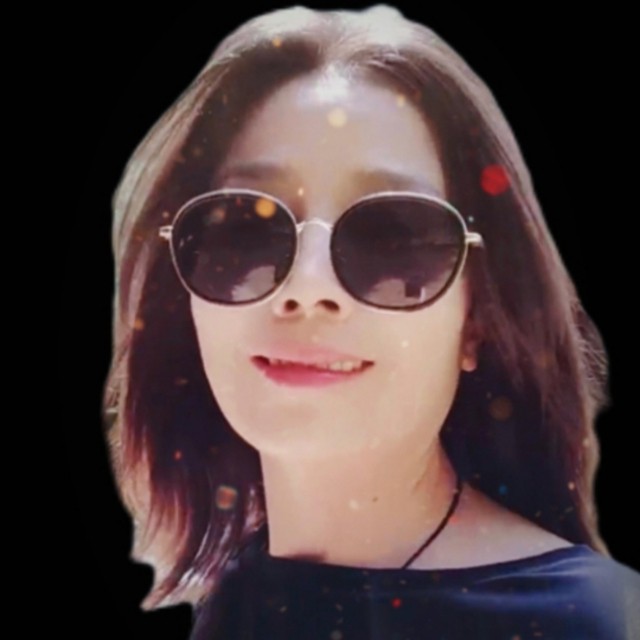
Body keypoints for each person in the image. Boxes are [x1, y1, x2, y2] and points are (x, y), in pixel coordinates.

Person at [103, 5, 640, 639]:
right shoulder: (240, 600)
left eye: (394, 239)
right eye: (244, 231)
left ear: (477, 319)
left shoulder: (597, 625)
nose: (307, 288)